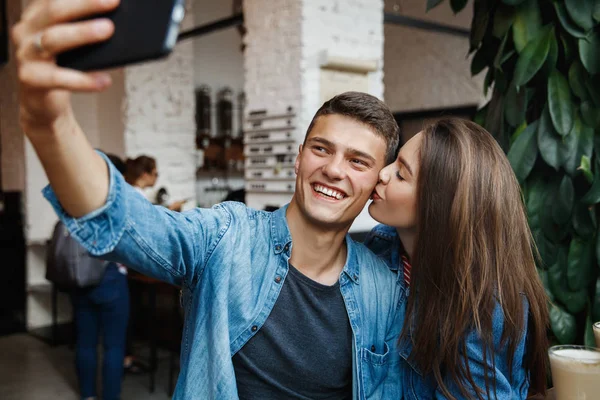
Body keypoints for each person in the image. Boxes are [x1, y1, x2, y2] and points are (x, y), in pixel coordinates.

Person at [12, 2, 404, 398]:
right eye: (322, 149)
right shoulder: (228, 237)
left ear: (378, 181)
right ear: (299, 157)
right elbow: (126, 223)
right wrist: (49, 124)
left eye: (358, 161)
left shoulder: (382, 288)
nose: (335, 169)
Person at [365, 118, 549, 399]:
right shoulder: (381, 244)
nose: (383, 173)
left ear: (439, 205)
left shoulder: (483, 303)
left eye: (402, 175)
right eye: (395, 162)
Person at [70, 153, 129, 400]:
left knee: (85, 343)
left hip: (80, 278)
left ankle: (87, 396)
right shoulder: (117, 202)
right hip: (111, 278)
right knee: (114, 346)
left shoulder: (72, 197)